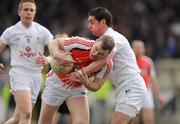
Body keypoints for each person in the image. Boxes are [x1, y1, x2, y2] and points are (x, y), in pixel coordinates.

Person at [66, 7, 147, 124]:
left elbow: (106, 60)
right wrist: (85, 81)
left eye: (92, 22)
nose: (89, 26)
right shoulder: (99, 47)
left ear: (103, 22)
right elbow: (97, 84)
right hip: (124, 88)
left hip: (132, 87)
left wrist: (81, 72)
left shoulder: (113, 38)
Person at [38, 35, 115, 124]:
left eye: (101, 54)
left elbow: (97, 85)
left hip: (77, 88)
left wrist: (86, 82)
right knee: (45, 121)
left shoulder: (107, 65)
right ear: (96, 41)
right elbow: (55, 42)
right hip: (57, 82)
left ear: (108, 55)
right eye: (96, 49)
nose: (95, 54)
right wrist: (57, 55)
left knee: (82, 122)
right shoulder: (79, 43)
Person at [0, 0, 53, 123]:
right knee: (27, 114)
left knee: (17, 118)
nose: (29, 13)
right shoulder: (11, 31)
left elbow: (55, 51)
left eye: (31, 10)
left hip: (36, 76)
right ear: (19, 12)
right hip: (19, 73)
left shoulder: (42, 31)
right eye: (25, 9)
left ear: (35, 13)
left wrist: (48, 59)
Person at [132, 40, 165, 124]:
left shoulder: (148, 62)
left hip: (146, 91)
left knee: (149, 119)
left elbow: (153, 79)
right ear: (132, 49)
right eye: (136, 47)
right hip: (133, 92)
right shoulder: (130, 62)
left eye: (140, 47)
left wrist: (158, 96)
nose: (138, 49)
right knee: (134, 119)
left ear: (144, 49)